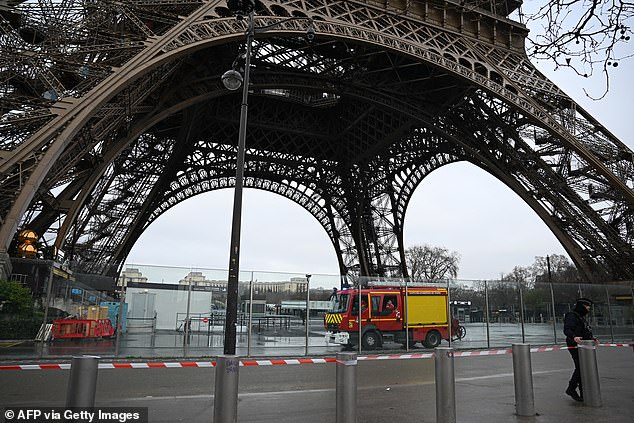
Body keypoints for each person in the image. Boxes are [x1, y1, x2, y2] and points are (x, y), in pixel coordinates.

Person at [563, 297, 596, 402]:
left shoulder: (580, 317)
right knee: (581, 367)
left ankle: (583, 392)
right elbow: (567, 329)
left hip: (584, 345)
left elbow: (584, 330)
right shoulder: (572, 316)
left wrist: (592, 339)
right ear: (581, 306)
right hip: (575, 345)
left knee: (583, 367)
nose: (588, 309)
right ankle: (571, 388)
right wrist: (574, 337)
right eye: (587, 306)